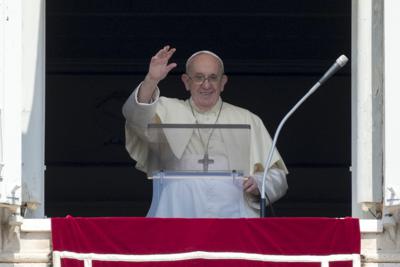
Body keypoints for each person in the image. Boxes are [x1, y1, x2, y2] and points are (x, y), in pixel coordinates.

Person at [122, 45, 288, 218]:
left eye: (213, 78)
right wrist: (151, 79)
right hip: (177, 212)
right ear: (187, 81)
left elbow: (278, 176)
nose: (206, 85)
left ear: (223, 83)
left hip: (232, 220)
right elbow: (135, 117)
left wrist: (259, 182)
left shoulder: (247, 119)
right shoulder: (166, 109)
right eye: (199, 77)